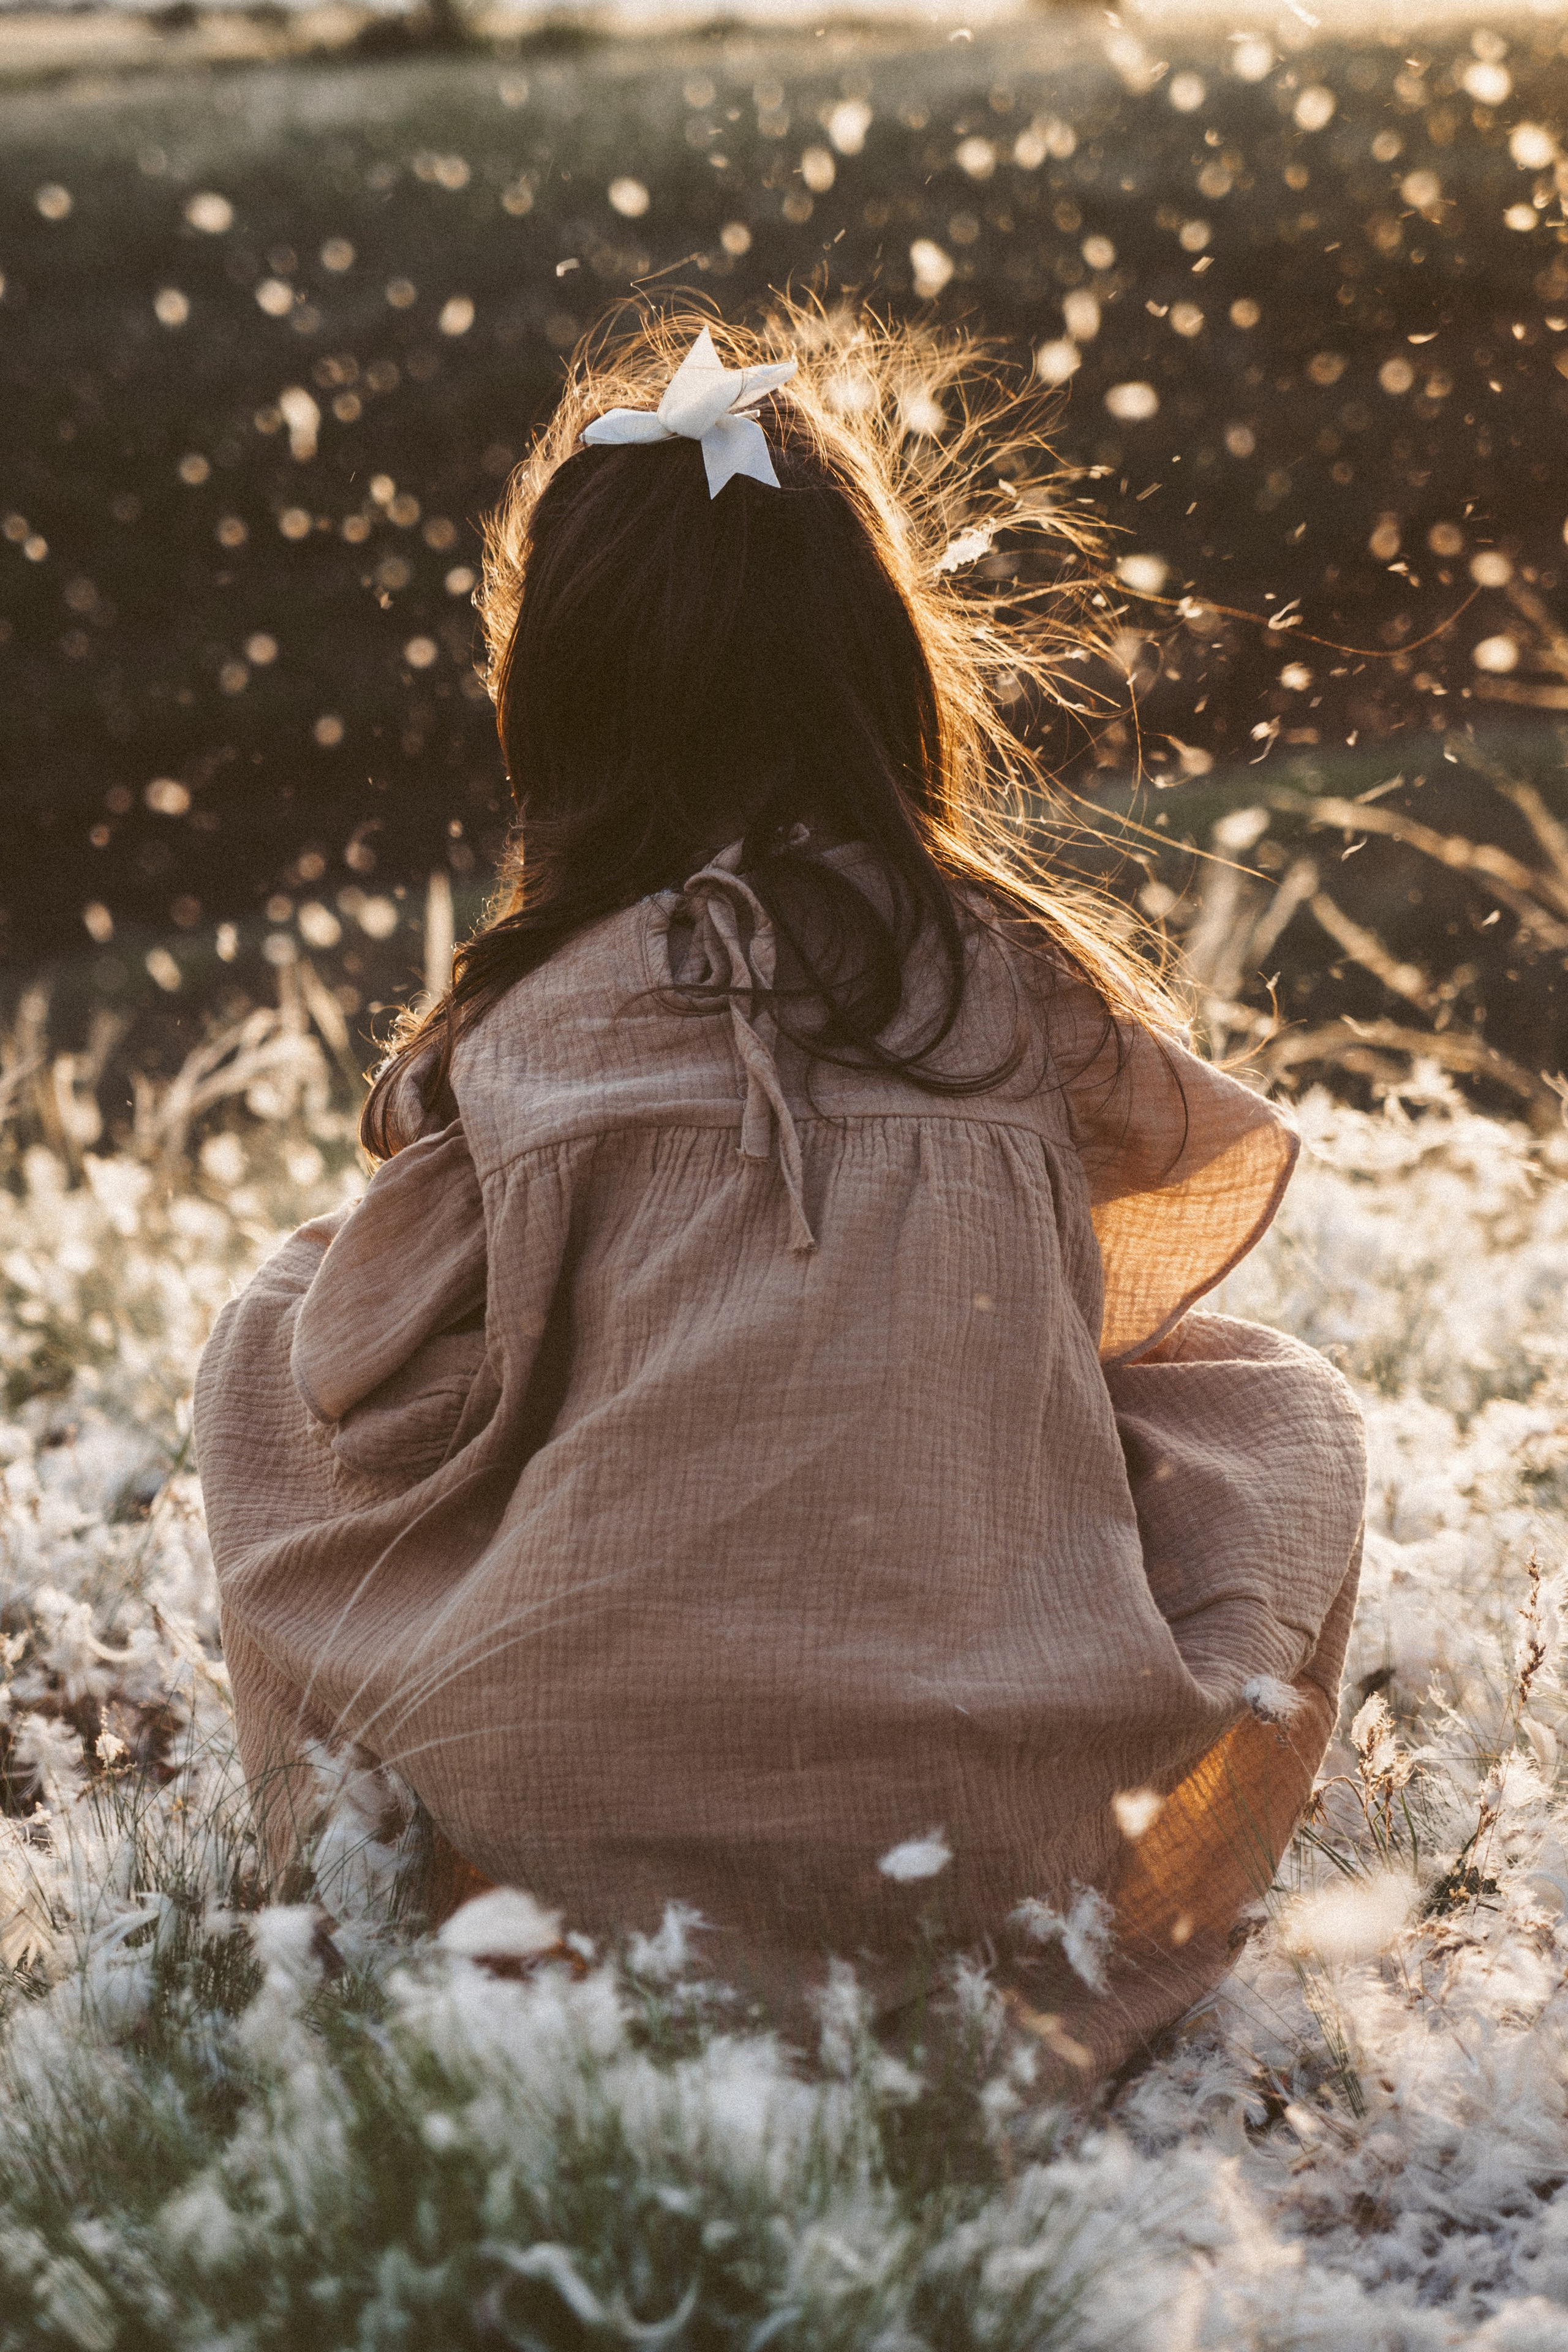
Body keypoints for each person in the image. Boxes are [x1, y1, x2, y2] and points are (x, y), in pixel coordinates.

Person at [194, 309, 1364, 2082]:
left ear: (556, 712)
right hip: (984, 1834)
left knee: (282, 1318)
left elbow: (392, 1372)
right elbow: (1153, 1231)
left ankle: (421, 1889)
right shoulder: (1010, 988)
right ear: (888, 681)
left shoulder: (530, 1026)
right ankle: (1072, 1937)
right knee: (1270, 1408)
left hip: (580, 1811)